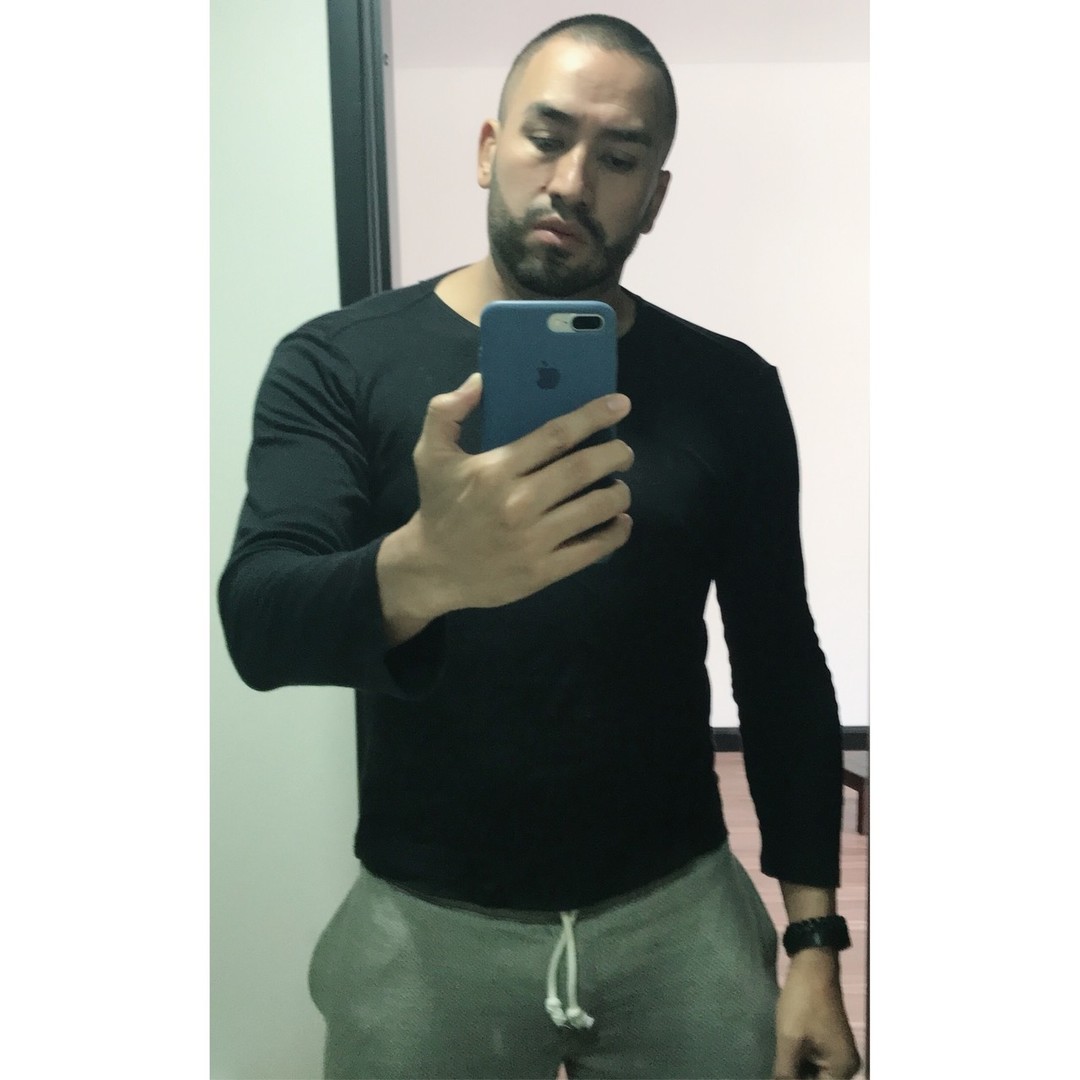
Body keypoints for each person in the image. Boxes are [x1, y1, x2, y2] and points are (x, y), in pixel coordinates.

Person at [219, 14, 861, 1080]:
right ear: (488, 148)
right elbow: (259, 620)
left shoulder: (730, 390)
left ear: (655, 194)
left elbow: (781, 663)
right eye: (546, 137)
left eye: (619, 158)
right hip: (425, 923)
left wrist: (815, 942)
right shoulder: (338, 364)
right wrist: (425, 569)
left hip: (678, 911)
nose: (571, 181)